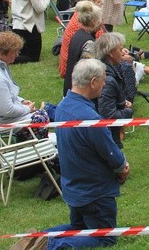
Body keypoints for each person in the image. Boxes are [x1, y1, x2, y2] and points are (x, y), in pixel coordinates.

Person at [35, 59, 130, 250]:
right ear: (93, 82)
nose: (105, 85)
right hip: (94, 191)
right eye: (103, 81)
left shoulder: (62, 107)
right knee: (105, 238)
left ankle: (38, 238)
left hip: (73, 187)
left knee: (79, 228)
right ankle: (51, 243)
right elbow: (110, 152)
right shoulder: (91, 119)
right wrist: (122, 167)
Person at [0, 32, 51, 139]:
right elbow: (7, 111)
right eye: (14, 52)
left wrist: (20, 101)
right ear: (2, 54)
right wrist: (27, 109)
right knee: (41, 117)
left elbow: (4, 94)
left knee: (41, 113)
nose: (17, 54)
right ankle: (33, 147)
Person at [94, 33, 134, 147]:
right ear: (110, 53)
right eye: (120, 49)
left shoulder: (105, 71)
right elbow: (109, 116)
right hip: (107, 138)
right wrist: (127, 111)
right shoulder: (108, 80)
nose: (123, 53)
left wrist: (120, 102)